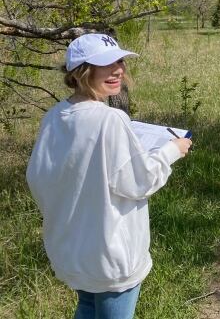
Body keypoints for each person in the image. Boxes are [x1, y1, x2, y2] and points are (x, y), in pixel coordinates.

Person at [26, 33, 192, 319]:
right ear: (80, 72)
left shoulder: (55, 116)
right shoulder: (110, 119)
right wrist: (171, 151)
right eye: (105, 64)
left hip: (73, 249)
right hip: (111, 255)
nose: (118, 69)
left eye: (120, 61)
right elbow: (139, 181)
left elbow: (39, 178)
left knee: (88, 307)